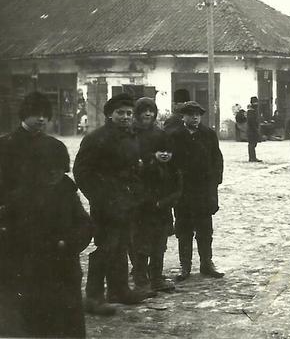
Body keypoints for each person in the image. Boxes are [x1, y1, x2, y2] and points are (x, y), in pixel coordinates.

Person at [0, 92, 92, 338]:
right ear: (23, 115)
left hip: (48, 222)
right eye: (36, 115)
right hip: (15, 221)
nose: (41, 120)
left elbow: (80, 218)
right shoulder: (6, 144)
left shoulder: (52, 146)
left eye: (45, 116)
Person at [73, 93, 147, 316]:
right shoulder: (96, 138)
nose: (125, 117)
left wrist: (136, 193)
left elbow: (133, 168)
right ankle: (94, 297)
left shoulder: (131, 137)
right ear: (109, 114)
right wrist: (98, 197)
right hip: (105, 203)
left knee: (122, 245)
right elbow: (82, 172)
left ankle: (120, 290)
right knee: (105, 247)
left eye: (128, 113)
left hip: (126, 202)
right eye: (120, 113)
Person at [130, 98, 181, 294]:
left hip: (161, 193)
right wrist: (150, 160)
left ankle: (157, 276)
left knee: (160, 241)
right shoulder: (131, 134)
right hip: (141, 195)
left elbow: (170, 156)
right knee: (141, 240)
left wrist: (164, 158)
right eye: (144, 111)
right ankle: (141, 278)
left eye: (151, 111)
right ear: (138, 113)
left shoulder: (161, 134)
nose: (148, 114)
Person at [169, 101, 225, 280]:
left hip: (203, 189)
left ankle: (206, 263)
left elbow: (217, 159)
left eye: (198, 114)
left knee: (205, 228)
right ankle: (185, 266)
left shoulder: (208, 134)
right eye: (191, 114)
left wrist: (214, 182)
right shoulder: (174, 135)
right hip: (183, 190)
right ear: (183, 116)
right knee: (183, 229)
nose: (195, 117)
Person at [246, 96, 263, 162]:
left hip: (253, 129)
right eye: (255, 102)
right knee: (252, 144)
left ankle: (253, 157)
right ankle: (252, 157)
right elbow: (251, 121)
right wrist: (256, 129)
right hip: (251, 130)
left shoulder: (254, 110)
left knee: (253, 143)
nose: (256, 104)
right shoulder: (251, 111)